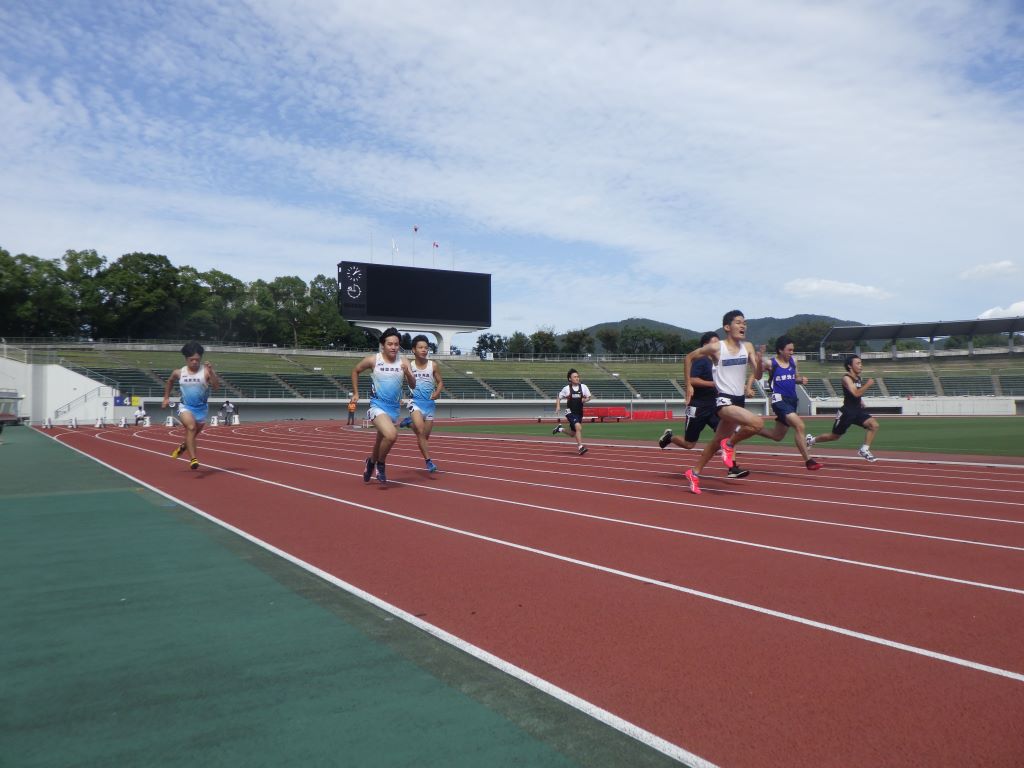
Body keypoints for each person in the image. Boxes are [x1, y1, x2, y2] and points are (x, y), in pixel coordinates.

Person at [682, 310, 765, 494]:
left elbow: (758, 375)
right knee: (757, 423)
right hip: (723, 400)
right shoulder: (716, 347)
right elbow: (688, 358)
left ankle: (694, 473)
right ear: (727, 327)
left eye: (745, 323)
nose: (743, 325)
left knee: (714, 442)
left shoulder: (748, 347)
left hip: (738, 400)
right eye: (738, 322)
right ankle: (729, 445)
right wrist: (688, 385)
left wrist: (759, 362)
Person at [659, 331, 751, 475]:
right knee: (689, 444)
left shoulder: (720, 361)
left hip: (716, 406)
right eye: (714, 342)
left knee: (728, 434)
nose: (718, 345)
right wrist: (713, 383)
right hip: (698, 406)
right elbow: (693, 379)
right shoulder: (701, 360)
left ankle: (732, 468)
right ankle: (670, 437)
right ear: (705, 345)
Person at [350, 327, 417, 484]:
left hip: (393, 409)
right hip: (377, 406)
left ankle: (371, 462)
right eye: (390, 344)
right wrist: (356, 393)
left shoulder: (404, 361)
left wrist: (407, 373)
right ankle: (380, 464)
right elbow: (355, 371)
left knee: (380, 441)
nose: (393, 347)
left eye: (396, 344)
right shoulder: (374, 360)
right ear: (383, 345)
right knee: (392, 435)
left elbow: (413, 385)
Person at [754, 335, 823, 470]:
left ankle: (750, 428)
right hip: (779, 400)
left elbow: (794, 378)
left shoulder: (793, 362)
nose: (791, 353)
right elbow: (757, 376)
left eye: (793, 350)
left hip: (792, 400)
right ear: (780, 350)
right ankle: (809, 460)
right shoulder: (771, 363)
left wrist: (800, 379)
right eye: (789, 350)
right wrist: (758, 361)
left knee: (777, 436)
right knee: (799, 425)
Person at [806, 355, 880, 461]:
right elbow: (855, 393)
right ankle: (811, 440)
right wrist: (868, 384)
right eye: (858, 363)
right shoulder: (846, 378)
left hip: (857, 410)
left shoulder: (858, 378)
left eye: (861, 363)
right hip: (847, 412)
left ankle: (864, 449)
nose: (861, 366)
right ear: (850, 366)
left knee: (874, 425)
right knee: (834, 436)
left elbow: (855, 393)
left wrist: (861, 401)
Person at [162, 341, 220, 470]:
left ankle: (183, 446)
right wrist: (166, 398)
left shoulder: (205, 371)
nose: (194, 362)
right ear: (186, 359)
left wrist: (212, 372)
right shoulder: (179, 372)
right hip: (185, 407)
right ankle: (193, 459)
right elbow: (170, 382)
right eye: (191, 360)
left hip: (201, 409)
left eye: (197, 360)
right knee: (191, 428)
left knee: (192, 435)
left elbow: (216, 387)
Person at [398, 334, 445, 472]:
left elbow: (440, 382)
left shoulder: (433, 365)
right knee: (420, 431)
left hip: (429, 405)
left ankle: (409, 423)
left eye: (426, 347)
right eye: (420, 347)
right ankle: (429, 462)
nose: (424, 350)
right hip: (415, 402)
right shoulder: (409, 366)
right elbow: (399, 381)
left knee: (424, 437)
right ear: (414, 350)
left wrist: (437, 392)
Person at [553, 368, 592, 455]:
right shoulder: (566, 389)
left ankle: (560, 429)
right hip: (569, 411)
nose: (577, 378)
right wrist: (558, 406)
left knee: (573, 433)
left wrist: (585, 400)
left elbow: (589, 397)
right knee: (578, 427)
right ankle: (580, 447)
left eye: (578, 376)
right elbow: (559, 397)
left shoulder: (583, 387)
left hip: (579, 412)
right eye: (574, 377)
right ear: (570, 379)